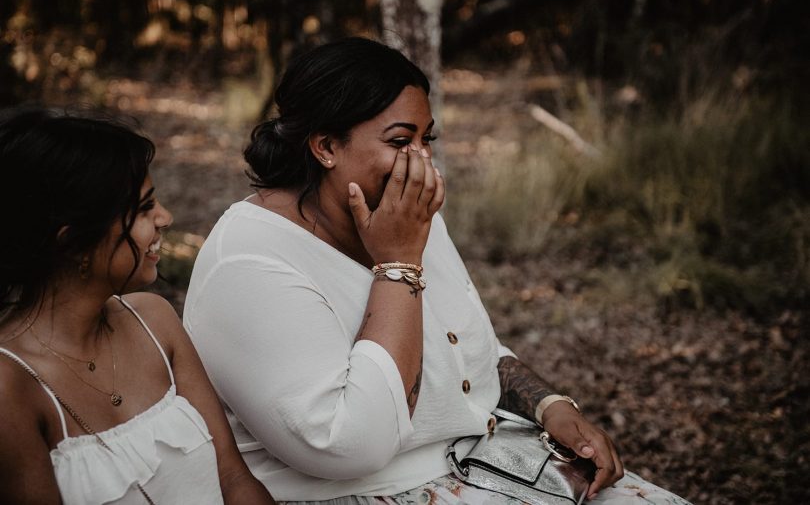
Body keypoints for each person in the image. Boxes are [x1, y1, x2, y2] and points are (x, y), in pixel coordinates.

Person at [183, 37, 690, 504]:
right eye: (401, 141)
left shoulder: (405, 212)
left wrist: (551, 407)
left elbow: (469, 348)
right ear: (326, 147)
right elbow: (349, 445)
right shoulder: (251, 261)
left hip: (486, 460)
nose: (422, 161)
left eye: (427, 138)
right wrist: (397, 264)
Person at [0, 108, 276, 505]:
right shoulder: (12, 385)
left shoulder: (153, 319)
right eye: (145, 208)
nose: (165, 217)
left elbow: (233, 477)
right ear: (73, 240)